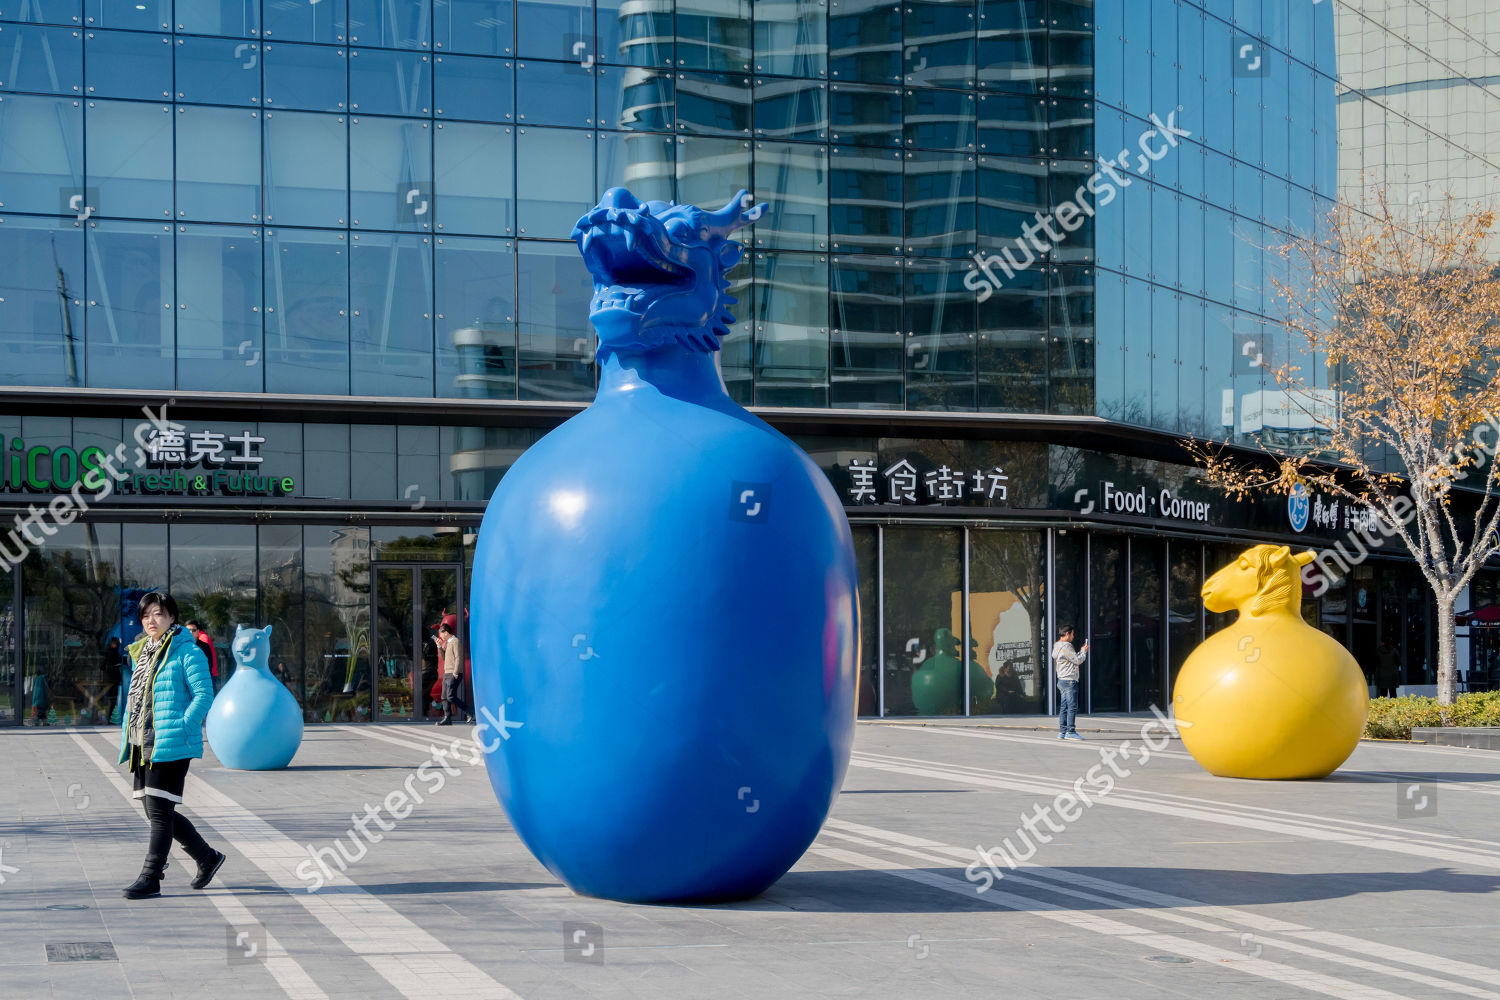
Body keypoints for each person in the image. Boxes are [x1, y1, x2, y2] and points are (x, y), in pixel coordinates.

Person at [118, 592, 226, 900]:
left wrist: (182, 727)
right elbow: (136, 698)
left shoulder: (186, 651)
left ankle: (151, 877)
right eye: (146, 615)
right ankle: (207, 857)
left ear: (172, 618)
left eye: (159, 614)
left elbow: (204, 694)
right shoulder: (143, 652)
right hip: (144, 744)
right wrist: (127, 730)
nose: (152, 621)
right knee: (155, 811)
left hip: (170, 743)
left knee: (161, 812)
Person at [1051, 624, 1088, 741]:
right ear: (1067, 634)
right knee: (1072, 706)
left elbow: (1070, 659)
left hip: (1061, 679)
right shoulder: (1066, 646)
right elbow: (1078, 660)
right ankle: (1070, 731)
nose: (1073, 636)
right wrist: (1083, 651)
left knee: (1064, 707)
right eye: (1072, 634)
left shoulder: (1056, 646)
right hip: (1069, 680)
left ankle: (1062, 731)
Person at [435, 621, 472, 726]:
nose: (440, 637)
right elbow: (444, 658)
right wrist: (439, 646)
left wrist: (456, 672)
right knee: (444, 697)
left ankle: (470, 712)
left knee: (450, 696)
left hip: (454, 673)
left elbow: (458, 657)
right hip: (447, 673)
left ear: (445, 632)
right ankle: (447, 719)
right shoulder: (447, 643)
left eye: (441, 634)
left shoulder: (455, 642)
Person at [184, 620, 219, 688]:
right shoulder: (180, 646)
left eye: (194, 630)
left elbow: (209, 665)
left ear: (198, 631)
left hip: (201, 681)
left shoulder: (204, 646)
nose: (191, 632)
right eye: (188, 630)